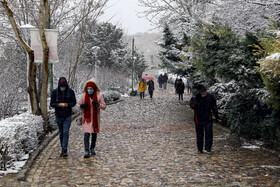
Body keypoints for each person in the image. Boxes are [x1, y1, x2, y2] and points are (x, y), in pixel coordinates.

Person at [79, 78, 106, 158]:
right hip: (86, 118)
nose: (89, 90)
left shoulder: (99, 96)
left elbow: (104, 106)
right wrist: (82, 106)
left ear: (94, 88)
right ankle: (86, 150)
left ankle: (92, 148)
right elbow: (79, 105)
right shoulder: (83, 96)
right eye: (88, 89)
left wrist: (98, 105)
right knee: (86, 134)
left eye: (91, 89)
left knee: (94, 134)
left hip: (95, 119)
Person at [50, 77, 77, 158]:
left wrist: (67, 104)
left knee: (65, 132)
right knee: (61, 133)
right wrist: (58, 104)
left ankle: (64, 150)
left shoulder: (70, 92)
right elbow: (52, 103)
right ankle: (63, 147)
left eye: (64, 86)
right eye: (61, 86)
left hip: (67, 115)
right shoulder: (55, 92)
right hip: (58, 115)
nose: (63, 88)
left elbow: (74, 102)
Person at [189, 84, 218, 154]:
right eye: (202, 92)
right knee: (199, 134)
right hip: (198, 118)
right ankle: (200, 149)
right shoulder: (195, 97)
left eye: (204, 91)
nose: (204, 93)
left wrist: (216, 115)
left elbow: (214, 106)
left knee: (209, 133)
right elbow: (192, 106)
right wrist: (197, 102)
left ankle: (208, 148)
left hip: (208, 117)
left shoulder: (210, 97)